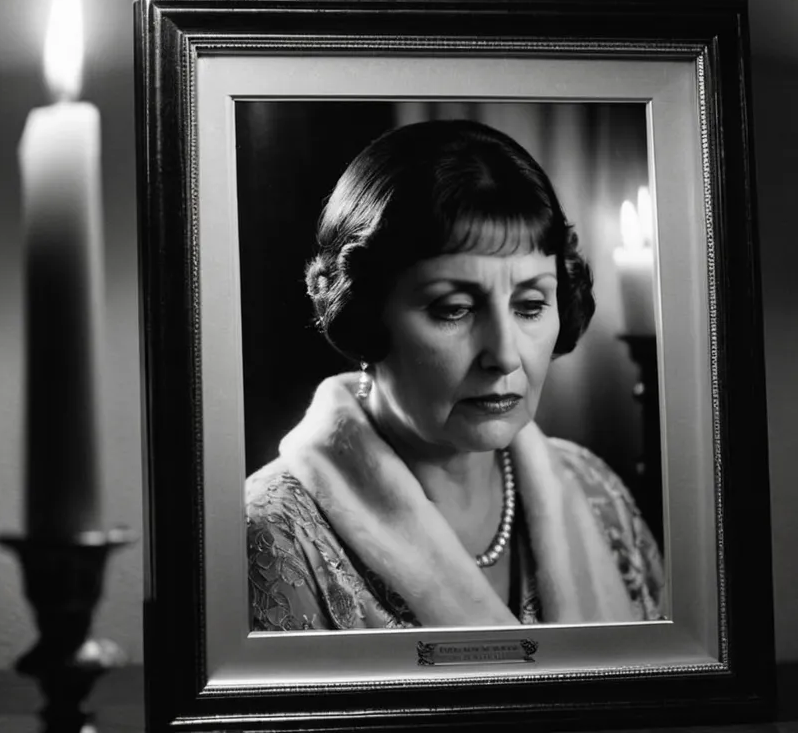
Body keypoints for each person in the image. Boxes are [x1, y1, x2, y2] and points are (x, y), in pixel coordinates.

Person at [245, 119, 664, 630]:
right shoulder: (273, 535)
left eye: (531, 305)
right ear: (365, 315)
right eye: (454, 309)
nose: (505, 356)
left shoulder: (597, 492)